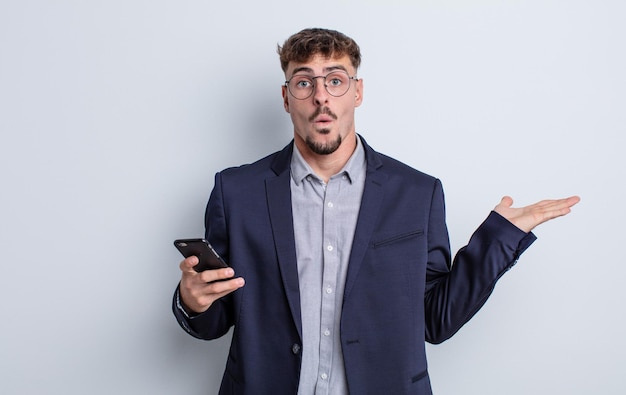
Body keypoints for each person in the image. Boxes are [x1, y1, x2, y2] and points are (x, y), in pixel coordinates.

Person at [172, 28, 579, 395]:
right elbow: (215, 317)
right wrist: (193, 302)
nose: (320, 96)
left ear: (357, 92)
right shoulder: (236, 191)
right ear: (286, 98)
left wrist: (497, 240)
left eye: (335, 80)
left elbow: (434, 320)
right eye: (303, 83)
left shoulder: (418, 193)